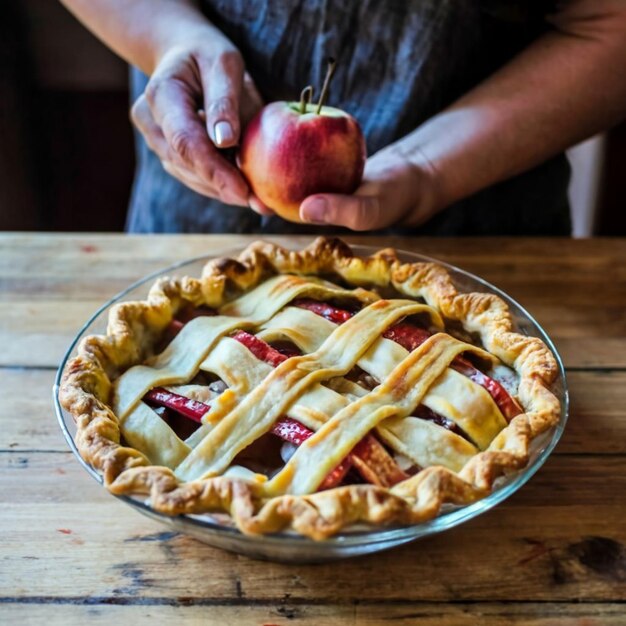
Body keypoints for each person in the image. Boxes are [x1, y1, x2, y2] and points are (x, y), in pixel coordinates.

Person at [60, 0, 626, 235]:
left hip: (479, 238)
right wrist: (170, 39)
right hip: (199, 220)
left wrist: (428, 169)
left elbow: (610, 23)